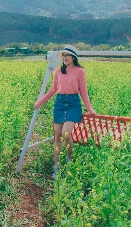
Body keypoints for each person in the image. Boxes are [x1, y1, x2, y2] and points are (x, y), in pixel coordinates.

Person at [34, 45, 96, 179]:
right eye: (63, 55)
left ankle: (69, 159)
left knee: (66, 133)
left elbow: (84, 92)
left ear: (73, 57)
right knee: (57, 137)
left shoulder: (80, 71)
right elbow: (52, 90)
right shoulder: (58, 72)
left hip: (73, 103)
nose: (65, 58)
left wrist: (90, 110)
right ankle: (56, 166)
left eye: (67, 55)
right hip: (60, 103)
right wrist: (40, 102)